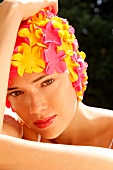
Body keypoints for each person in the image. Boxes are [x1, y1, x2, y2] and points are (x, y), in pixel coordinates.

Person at [1, 1, 113, 170]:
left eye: (47, 82)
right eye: (16, 93)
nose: (36, 108)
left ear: (75, 69)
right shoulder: (14, 131)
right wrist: (12, 13)